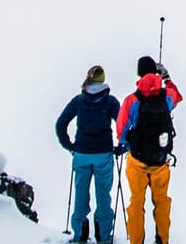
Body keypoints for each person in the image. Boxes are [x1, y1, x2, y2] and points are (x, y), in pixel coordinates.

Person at [116, 54, 183, 244]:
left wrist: (129, 144)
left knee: (136, 203)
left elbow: (121, 131)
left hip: (137, 160)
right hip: (161, 160)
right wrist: (167, 78)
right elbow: (177, 96)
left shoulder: (132, 100)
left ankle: (136, 241)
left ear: (138, 73)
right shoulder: (166, 96)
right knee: (161, 201)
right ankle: (162, 239)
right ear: (155, 72)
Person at [56, 64, 123, 242]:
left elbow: (60, 124)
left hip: (82, 153)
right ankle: (103, 236)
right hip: (103, 153)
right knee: (103, 194)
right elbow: (124, 125)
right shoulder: (110, 101)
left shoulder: (78, 100)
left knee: (80, 193)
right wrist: (122, 147)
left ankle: (79, 235)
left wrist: (69, 145)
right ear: (103, 80)